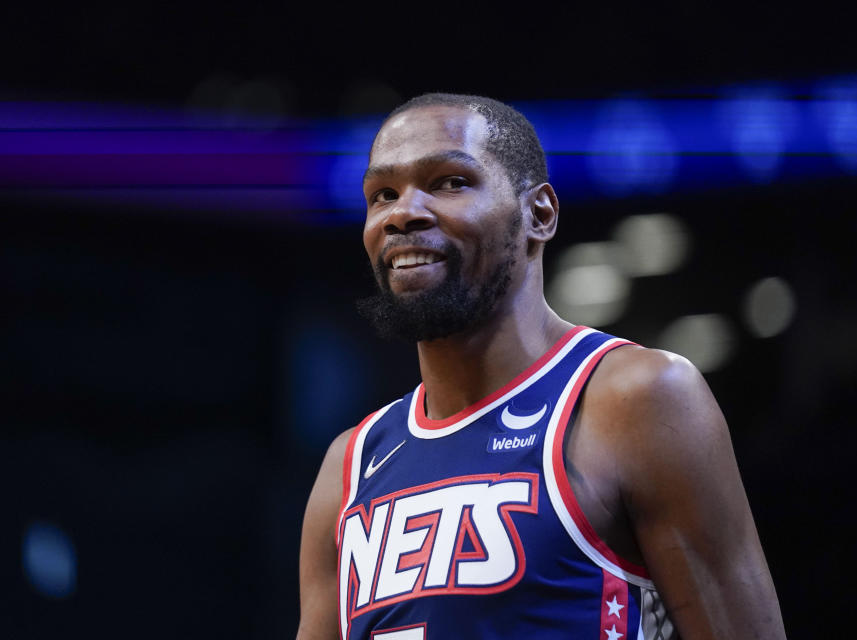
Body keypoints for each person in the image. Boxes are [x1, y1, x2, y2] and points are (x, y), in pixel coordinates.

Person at [297, 93, 786, 640]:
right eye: (382, 194)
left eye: (449, 182)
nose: (403, 212)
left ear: (540, 213)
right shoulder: (351, 465)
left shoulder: (636, 397)